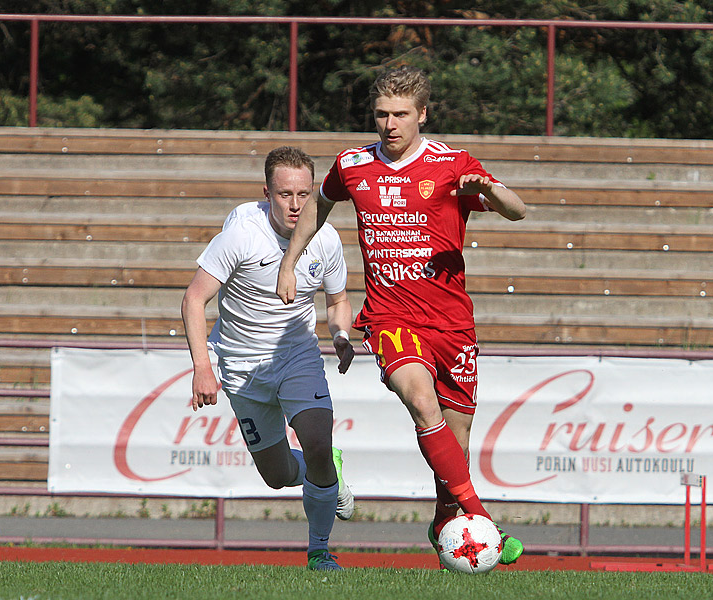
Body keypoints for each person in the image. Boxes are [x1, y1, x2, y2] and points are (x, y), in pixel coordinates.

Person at [276, 65, 526, 567]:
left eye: (400, 115)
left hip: (452, 324)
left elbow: (517, 209)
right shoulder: (353, 166)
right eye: (382, 114)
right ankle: (482, 520)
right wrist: (291, 259)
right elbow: (318, 206)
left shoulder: (453, 164)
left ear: (422, 115)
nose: (389, 124)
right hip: (391, 318)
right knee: (418, 397)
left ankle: (444, 520)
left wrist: (491, 191)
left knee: (453, 441)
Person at [181, 146, 356, 572]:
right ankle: (326, 473)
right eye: (284, 194)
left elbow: (338, 301)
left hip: (297, 356)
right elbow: (193, 299)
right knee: (277, 475)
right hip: (242, 369)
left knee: (317, 441)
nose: (295, 205)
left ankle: (319, 551)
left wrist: (342, 334)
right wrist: (203, 368)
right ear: (267, 193)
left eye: (304, 194)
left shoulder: (326, 238)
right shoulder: (241, 235)